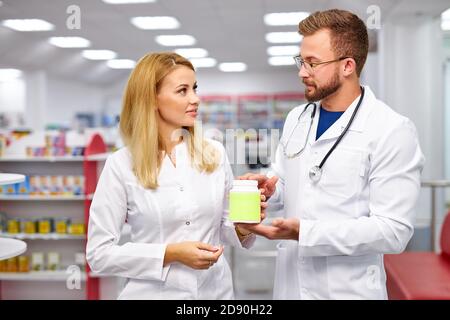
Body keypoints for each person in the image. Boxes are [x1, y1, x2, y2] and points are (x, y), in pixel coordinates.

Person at [238, 9, 425, 300]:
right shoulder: (296, 119)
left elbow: (393, 231)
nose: (301, 72)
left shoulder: (391, 129)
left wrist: (306, 233)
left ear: (348, 65)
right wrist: (269, 191)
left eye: (312, 63)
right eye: (301, 61)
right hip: (290, 288)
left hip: (348, 290)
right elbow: (287, 184)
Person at [86, 52, 255, 300]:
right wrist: (170, 253)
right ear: (152, 99)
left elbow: (225, 229)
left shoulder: (214, 153)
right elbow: (99, 255)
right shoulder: (121, 164)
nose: (195, 99)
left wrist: (245, 226)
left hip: (214, 293)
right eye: (182, 91)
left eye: (195, 88)